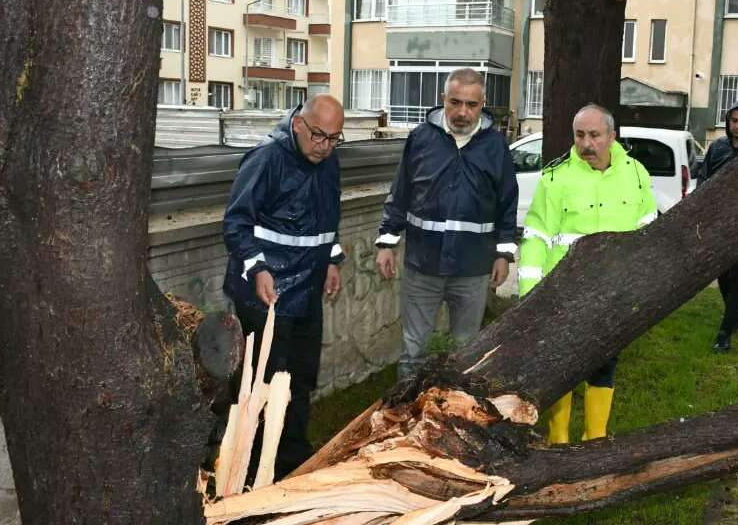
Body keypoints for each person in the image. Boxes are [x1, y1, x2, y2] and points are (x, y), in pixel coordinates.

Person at [517, 103, 657, 443]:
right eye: (580, 135)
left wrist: (643, 288)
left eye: (595, 135)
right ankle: (559, 438)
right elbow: (536, 238)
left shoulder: (637, 174)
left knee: (603, 365)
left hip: (613, 295)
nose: (586, 143)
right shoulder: (556, 177)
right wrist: (530, 297)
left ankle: (596, 438)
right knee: (561, 368)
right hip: (562, 295)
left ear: (612, 136)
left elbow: (649, 235)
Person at [222, 95, 346, 479]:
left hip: (307, 290)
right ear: (297, 124)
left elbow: (327, 218)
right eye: (318, 136)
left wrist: (332, 259)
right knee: (262, 385)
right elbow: (236, 223)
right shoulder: (266, 159)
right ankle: (253, 467)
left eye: (334, 139)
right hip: (266, 295)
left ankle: (292, 459)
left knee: (300, 380)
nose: (324, 146)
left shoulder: (328, 162)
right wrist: (257, 268)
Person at [375, 68, 518, 379]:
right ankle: (405, 418)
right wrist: (387, 242)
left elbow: (507, 204)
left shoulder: (495, 146)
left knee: (465, 351)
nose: (462, 112)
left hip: (473, 268)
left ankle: (454, 418)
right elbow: (400, 193)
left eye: (471, 104)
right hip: (422, 265)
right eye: (455, 102)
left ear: (483, 104)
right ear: (443, 99)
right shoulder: (421, 138)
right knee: (414, 350)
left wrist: (504, 255)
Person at [697, 98, 738, 352]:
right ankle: (735, 317)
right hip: (718, 223)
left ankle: (724, 332)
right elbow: (704, 177)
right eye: (734, 121)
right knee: (722, 274)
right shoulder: (718, 147)